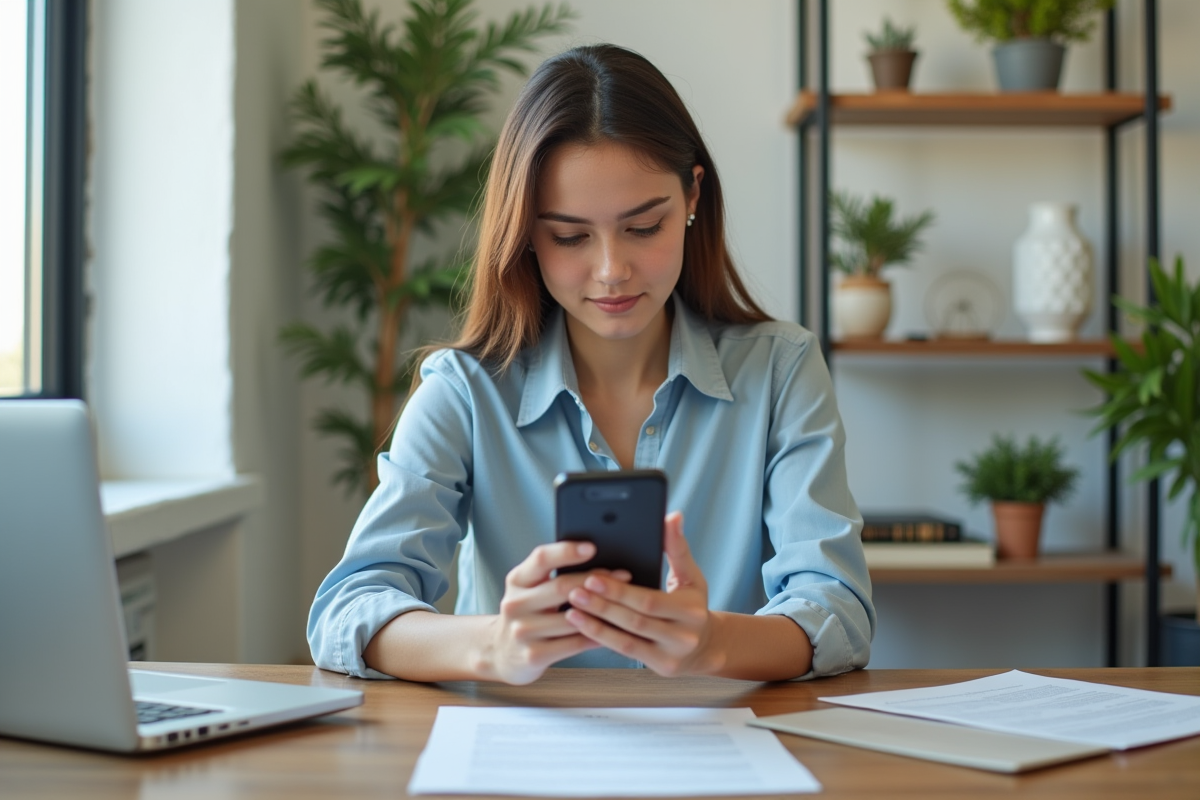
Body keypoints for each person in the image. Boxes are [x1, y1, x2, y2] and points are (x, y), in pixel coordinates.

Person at [308, 44, 874, 685]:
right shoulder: (464, 393)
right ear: (525, 232)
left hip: (721, 735)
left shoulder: (780, 371)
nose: (611, 271)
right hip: (516, 742)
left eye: (644, 227)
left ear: (692, 194)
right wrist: (494, 646)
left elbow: (838, 611)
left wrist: (712, 644)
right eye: (570, 236)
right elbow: (348, 610)